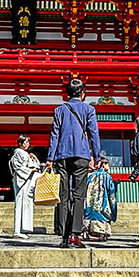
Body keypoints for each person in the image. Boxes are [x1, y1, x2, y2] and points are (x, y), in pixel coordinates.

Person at [47, 79, 101, 248]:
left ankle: (63, 236)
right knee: (78, 196)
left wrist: (50, 157)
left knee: (63, 196)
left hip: (62, 155)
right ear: (82, 93)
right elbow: (94, 133)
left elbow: (54, 134)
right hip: (81, 155)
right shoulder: (89, 109)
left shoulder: (59, 110)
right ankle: (74, 234)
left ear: (67, 93)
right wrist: (97, 156)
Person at [9, 134, 41, 239]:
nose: (27, 144)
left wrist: (35, 163)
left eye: (28, 142)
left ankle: (21, 229)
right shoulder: (18, 153)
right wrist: (30, 170)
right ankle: (17, 230)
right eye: (25, 142)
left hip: (27, 180)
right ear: (20, 143)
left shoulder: (26, 154)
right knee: (19, 205)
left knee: (25, 204)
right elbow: (18, 167)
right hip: (21, 180)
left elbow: (34, 164)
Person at [84, 157, 117, 241]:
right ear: (103, 165)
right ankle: (102, 233)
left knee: (89, 215)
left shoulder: (91, 176)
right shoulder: (107, 176)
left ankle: (86, 232)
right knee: (102, 215)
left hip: (90, 203)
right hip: (102, 202)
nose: (109, 166)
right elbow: (111, 191)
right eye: (107, 164)